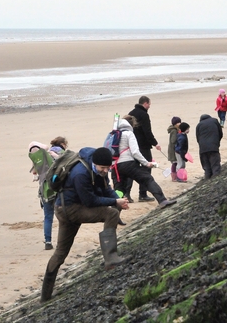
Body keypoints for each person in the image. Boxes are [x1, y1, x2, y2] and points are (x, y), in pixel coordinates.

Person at [40, 147, 129, 303]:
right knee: (111, 213)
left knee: (61, 253)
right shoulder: (80, 173)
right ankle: (111, 258)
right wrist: (115, 202)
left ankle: (45, 297)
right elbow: (90, 201)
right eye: (103, 168)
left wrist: (117, 199)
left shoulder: (99, 169)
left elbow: (106, 188)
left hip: (72, 206)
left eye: (108, 168)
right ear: (94, 163)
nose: (105, 171)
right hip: (67, 210)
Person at [114, 116, 177, 208]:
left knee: (119, 191)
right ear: (131, 125)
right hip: (128, 163)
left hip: (115, 166)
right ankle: (162, 200)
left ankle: (114, 214)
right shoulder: (129, 134)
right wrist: (146, 163)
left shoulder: (113, 135)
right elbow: (135, 152)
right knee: (147, 179)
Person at [28, 136, 68, 250]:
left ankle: (48, 241)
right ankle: (63, 241)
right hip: (57, 188)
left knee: (48, 216)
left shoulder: (43, 155)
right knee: (62, 216)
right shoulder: (61, 153)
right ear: (63, 144)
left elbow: (34, 171)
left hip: (44, 188)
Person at [127, 96, 161, 202]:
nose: (149, 106)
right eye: (149, 104)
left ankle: (126, 195)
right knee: (146, 168)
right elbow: (147, 131)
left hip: (131, 146)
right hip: (143, 146)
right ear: (145, 103)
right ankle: (142, 194)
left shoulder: (130, 113)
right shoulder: (144, 114)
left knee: (131, 170)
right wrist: (155, 143)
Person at [195, 114, 223, 179]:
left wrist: (202, 146)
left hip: (203, 148)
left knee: (207, 167)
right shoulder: (214, 121)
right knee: (215, 166)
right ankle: (215, 181)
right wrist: (217, 143)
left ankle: (207, 180)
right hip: (213, 147)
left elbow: (198, 138)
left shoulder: (199, 125)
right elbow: (220, 134)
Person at [167, 116, 181, 182]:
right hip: (173, 150)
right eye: (178, 123)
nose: (180, 124)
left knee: (176, 163)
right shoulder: (174, 131)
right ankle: (174, 177)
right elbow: (173, 140)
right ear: (175, 124)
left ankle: (175, 176)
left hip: (173, 149)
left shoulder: (175, 130)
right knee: (175, 163)